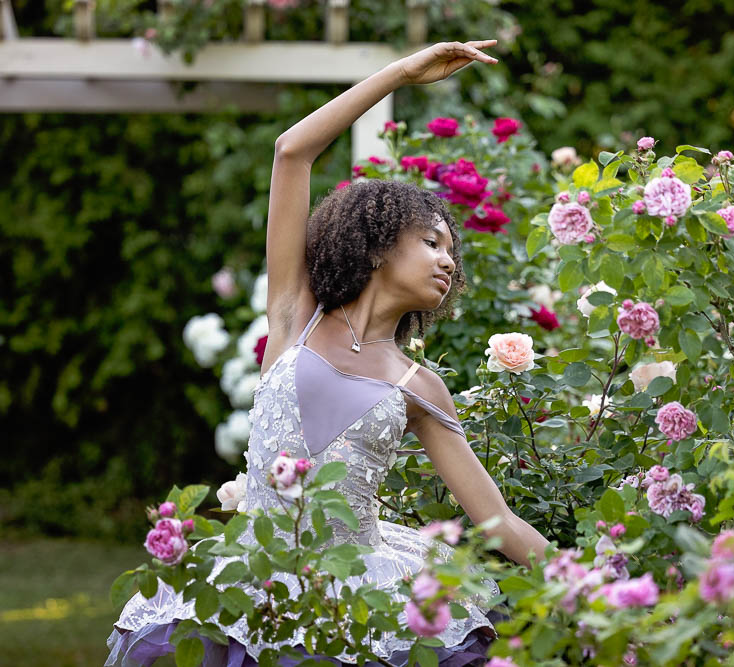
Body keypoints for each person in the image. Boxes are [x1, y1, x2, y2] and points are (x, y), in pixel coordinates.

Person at [106, 39, 551, 666]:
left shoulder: (418, 386)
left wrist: (595, 589)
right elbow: (292, 150)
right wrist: (400, 74)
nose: (448, 259)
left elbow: (497, 521)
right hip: (245, 588)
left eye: (452, 250)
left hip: (360, 608)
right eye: (430, 241)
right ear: (375, 245)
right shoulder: (297, 314)